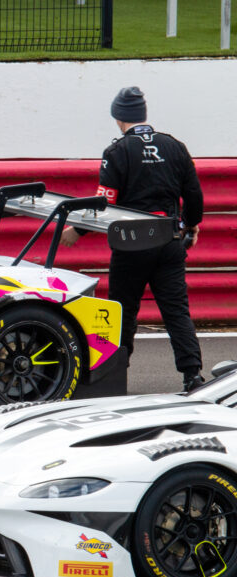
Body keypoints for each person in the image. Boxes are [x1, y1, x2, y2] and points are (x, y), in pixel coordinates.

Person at [60, 87, 205, 392]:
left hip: (131, 244)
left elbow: (104, 203)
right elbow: (194, 195)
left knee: (123, 311)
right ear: (143, 115)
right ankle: (192, 375)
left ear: (118, 118)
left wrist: (77, 230)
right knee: (176, 311)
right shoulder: (174, 146)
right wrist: (190, 227)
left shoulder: (117, 152)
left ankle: (115, 378)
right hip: (168, 240)